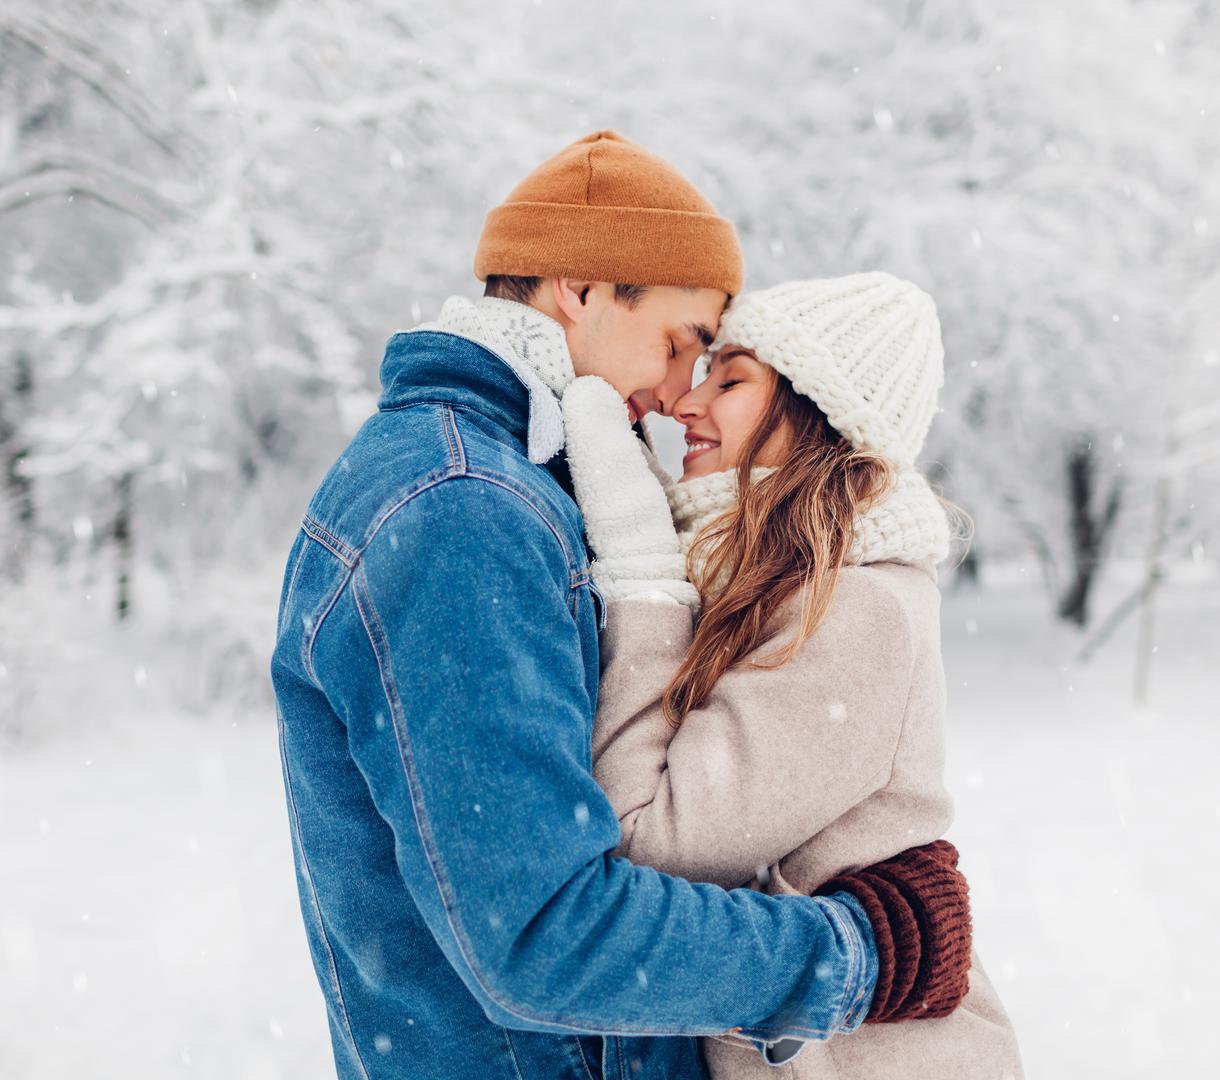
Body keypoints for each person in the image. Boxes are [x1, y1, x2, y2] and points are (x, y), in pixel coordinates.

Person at [270, 132, 975, 1080]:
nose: (678, 391)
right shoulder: (462, 508)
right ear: (585, 289)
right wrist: (857, 955)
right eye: (684, 345)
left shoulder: (515, 484)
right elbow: (543, 935)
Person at [563, 271, 1025, 1078]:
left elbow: (646, 841)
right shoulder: (776, 585)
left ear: (823, 416)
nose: (684, 404)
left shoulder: (854, 608)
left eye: (731, 378)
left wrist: (643, 575)